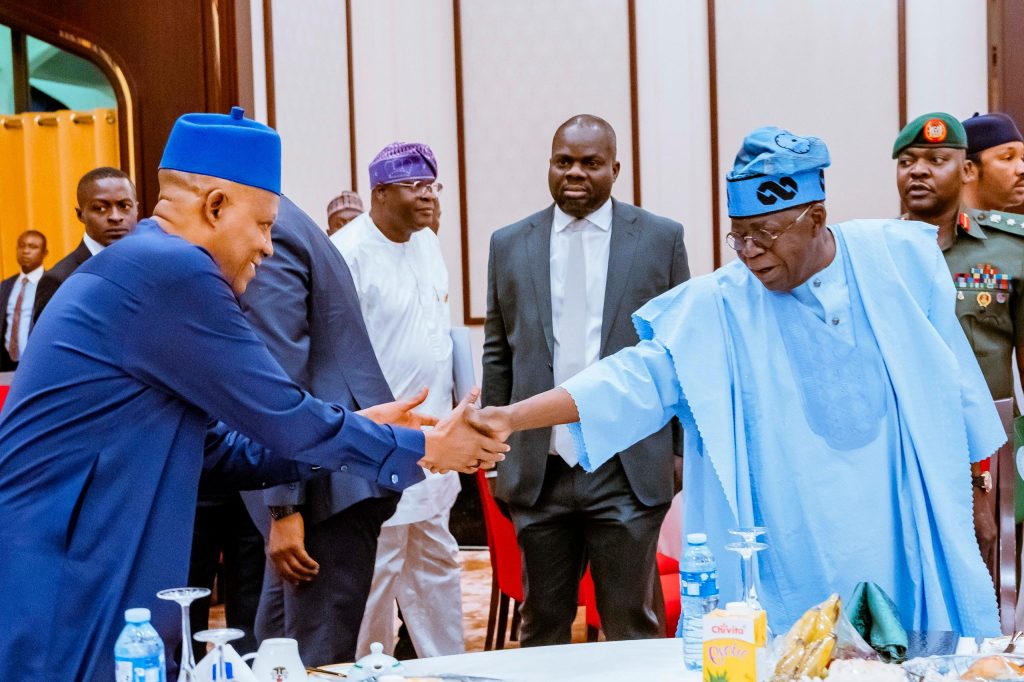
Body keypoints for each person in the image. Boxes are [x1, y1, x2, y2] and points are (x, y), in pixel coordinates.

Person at [0, 107, 507, 680]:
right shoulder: (172, 271)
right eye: (264, 225)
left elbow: (219, 449)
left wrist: (367, 427)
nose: (268, 247)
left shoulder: (144, 264)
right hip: (65, 568)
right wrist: (425, 449)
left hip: (82, 555)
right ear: (216, 206)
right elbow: (282, 415)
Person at [471, 126, 1005, 637]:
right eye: (739, 236)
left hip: (898, 525)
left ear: (816, 218)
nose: (750, 252)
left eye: (765, 235)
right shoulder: (720, 305)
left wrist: (978, 490)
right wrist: (512, 416)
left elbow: (954, 385)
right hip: (789, 545)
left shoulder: (896, 261)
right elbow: (631, 379)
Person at [482, 114, 690, 646]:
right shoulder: (509, 244)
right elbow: (499, 353)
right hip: (540, 469)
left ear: (615, 169)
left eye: (590, 163)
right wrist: (493, 450)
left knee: (631, 627)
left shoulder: (660, 240)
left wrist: (678, 450)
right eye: (564, 161)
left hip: (627, 467)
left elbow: (678, 353)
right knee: (541, 628)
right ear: (550, 165)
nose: (575, 172)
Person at [237, 194, 404, 666]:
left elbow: (280, 377)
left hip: (322, 488)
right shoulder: (281, 217)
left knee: (316, 659)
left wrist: (284, 506)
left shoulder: (267, 233)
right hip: (322, 475)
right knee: (278, 650)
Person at [334, 142, 464, 659]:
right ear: (381, 193)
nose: (428, 196)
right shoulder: (348, 253)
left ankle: (447, 669)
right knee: (376, 572)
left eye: (432, 185)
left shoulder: (427, 243)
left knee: (437, 566)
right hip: (380, 445)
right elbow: (339, 357)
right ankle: (367, 670)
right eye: (415, 186)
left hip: (435, 440)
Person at [893, 112, 1024, 579]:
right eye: (907, 161)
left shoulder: (1010, 249)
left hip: (992, 448)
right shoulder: (875, 254)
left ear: (966, 170)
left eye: (935, 160)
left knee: (997, 582)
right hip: (907, 443)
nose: (919, 171)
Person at [35, 166, 139, 314]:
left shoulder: (152, 268)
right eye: (101, 208)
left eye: (125, 206)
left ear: (137, 209)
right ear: (80, 214)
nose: (115, 217)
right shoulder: (59, 280)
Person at [0, 230, 49, 370]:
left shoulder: (51, 284)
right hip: (5, 364)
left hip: (37, 363)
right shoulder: (5, 285)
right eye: (21, 246)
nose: (26, 251)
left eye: (33, 247)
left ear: (45, 253)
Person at [962, 112, 1024, 212]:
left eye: (1022, 158)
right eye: (1008, 157)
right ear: (967, 170)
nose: (1022, 169)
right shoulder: (943, 221)